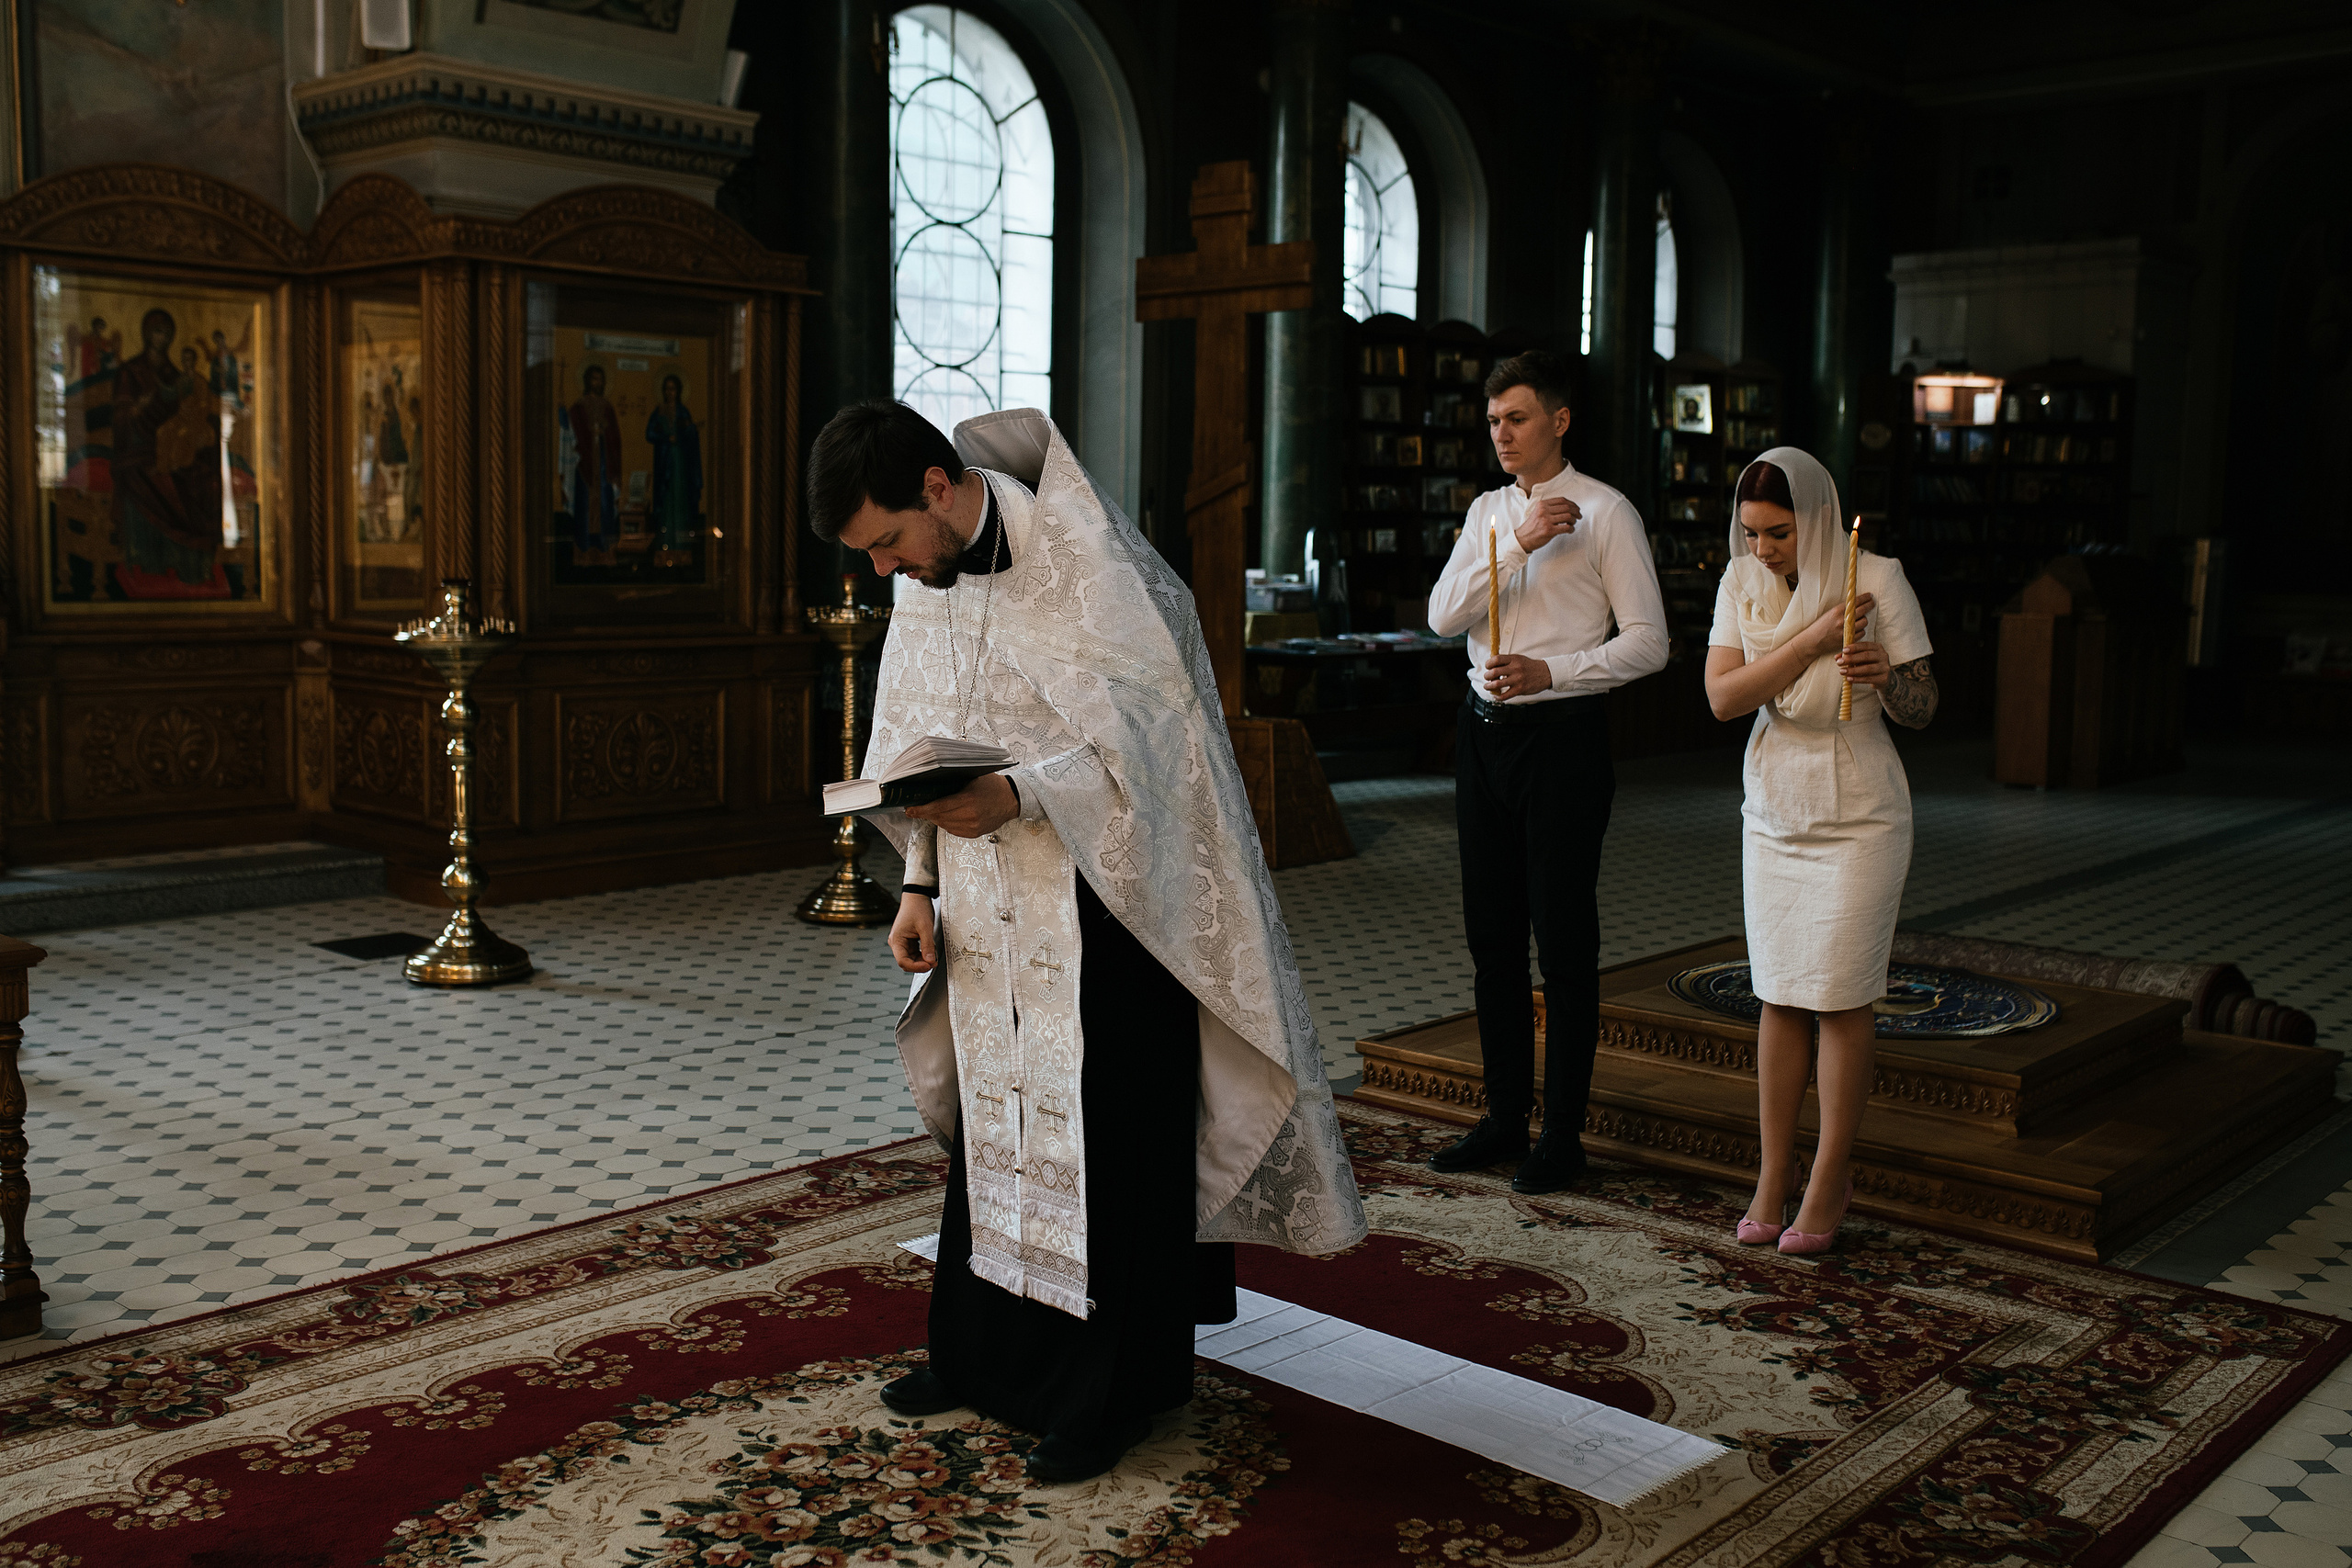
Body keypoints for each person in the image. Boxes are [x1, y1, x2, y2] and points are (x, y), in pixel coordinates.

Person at [808, 400, 1365, 1484]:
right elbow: (916, 746)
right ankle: (979, 1358)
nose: (882, 571)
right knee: (997, 1130)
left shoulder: (1095, 567)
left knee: (1106, 1146)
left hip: (1108, 908)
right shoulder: (927, 579)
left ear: (935, 488)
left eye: (886, 542)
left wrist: (1018, 792)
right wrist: (916, 884)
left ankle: (1105, 1396)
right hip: (982, 906)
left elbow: (1157, 757)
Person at [1422, 351, 1668, 1191]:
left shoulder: (1608, 512)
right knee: (1491, 941)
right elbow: (1443, 615)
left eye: (1517, 418)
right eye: (1493, 421)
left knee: (1563, 944)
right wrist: (1517, 545)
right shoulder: (1488, 512)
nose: (1502, 434)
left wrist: (1551, 672)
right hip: (1482, 738)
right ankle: (1503, 1119)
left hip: (1563, 741)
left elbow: (1650, 642)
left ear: (1559, 421)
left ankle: (1562, 1135)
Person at [1702, 449, 1937, 1254]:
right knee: (1777, 992)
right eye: (1751, 532)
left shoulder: (1878, 576)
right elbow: (1723, 697)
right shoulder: (1741, 581)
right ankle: (1774, 1173)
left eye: (1779, 532)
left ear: (1820, 518)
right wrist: (1807, 644)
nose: (1762, 548)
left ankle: (1830, 1174)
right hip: (1775, 805)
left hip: (1860, 810)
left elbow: (1925, 705)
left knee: (1840, 995)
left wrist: (1886, 676)